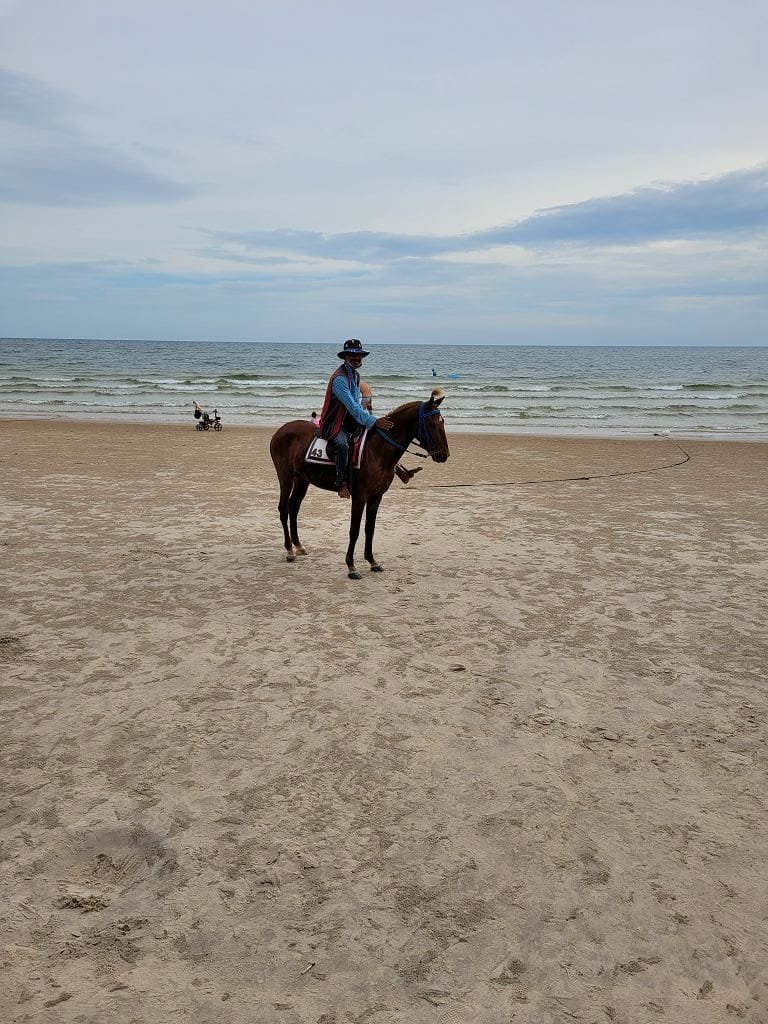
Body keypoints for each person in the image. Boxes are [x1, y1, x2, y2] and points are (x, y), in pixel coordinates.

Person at [319, 339, 393, 499]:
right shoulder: (339, 379)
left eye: (359, 355)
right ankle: (341, 483)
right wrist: (373, 421)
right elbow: (352, 407)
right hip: (335, 423)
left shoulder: (355, 376)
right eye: (352, 355)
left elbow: (357, 407)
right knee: (342, 444)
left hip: (350, 421)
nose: (356, 358)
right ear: (345, 356)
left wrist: (369, 419)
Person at [359, 377, 422, 486]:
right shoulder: (363, 385)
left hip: (363, 418)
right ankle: (402, 473)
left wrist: (370, 419)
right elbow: (365, 406)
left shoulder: (359, 385)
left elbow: (364, 406)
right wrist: (370, 418)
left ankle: (402, 472)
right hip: (361, 419)